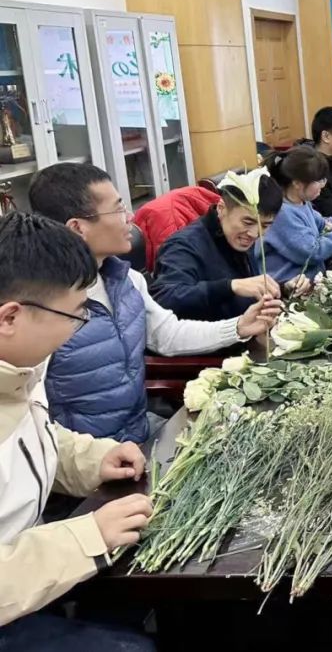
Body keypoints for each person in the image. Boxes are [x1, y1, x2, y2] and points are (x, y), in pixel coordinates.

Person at [29, 164, 281, 443]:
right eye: (118, 210)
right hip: (88, 455)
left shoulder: (128, 280)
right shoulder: (39, 307)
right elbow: (31, 421)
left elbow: (168, 335)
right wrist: (92, 457)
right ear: (78, 227)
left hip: (140, 432)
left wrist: (240, 326)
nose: (131, 218)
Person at [0, 212, 155, 649]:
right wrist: (86, 539)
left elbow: (29, 438)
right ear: (10, 317)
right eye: (74, 315)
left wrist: (90, 459)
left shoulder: (19, 367)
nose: (76, 329)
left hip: (33, 571)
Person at [149, 171, 312, 321]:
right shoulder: (184, 246)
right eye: (247, 222)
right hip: (210, 342)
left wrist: (281, 289)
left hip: (247, 334)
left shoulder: (239, 237)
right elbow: (164, 298)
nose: (255, 234)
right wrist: (231, 286)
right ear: (221, 208)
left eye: (265, 225)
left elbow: (246, 292)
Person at [263, 146, 332, 282]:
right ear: (297, 183)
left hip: (311, 280)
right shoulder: (282, 213)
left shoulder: (302, 203)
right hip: (291, 287)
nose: (323, 185)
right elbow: (313, 252)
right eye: (319, 181)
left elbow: (324, 224)